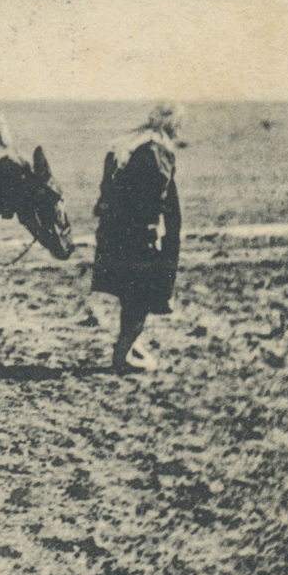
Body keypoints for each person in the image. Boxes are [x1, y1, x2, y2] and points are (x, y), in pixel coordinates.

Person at [92, 103, 184, 373]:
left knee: (130, 294)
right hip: (141, 235)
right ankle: (122, 356)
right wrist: (156, 230)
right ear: (172, 126)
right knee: (141, 297)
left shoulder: (127, 146)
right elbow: (158, 195)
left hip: (116, 233)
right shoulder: (157, 153)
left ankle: (128, 347)